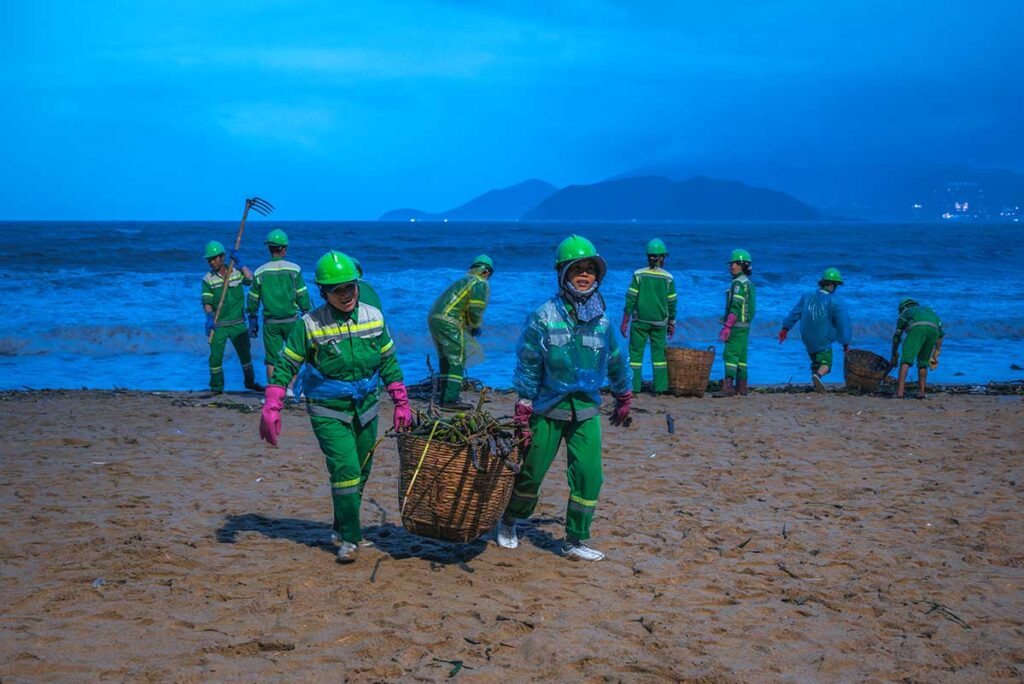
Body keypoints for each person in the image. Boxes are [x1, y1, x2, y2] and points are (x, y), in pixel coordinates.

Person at [258, 250, 413, 563]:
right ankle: (351, 540)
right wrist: (272, 403)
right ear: (323, 292)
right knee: (346, 468)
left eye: (350, 287)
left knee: (362, 468)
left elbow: (388, 361)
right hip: (328, 407)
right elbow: (286, 363)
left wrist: (400, 401)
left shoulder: (374, 316)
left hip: (367, 405)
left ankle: (342, 528)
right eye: (337, 290)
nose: (346, 295)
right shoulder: (310, 325)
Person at [496, 235, 632, 562]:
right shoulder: (543, 316)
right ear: (562, 274)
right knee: (531, 473)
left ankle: (574, 540)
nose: (584, 275)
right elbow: (529, 362)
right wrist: (524, 404)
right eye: (577, 270)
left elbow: (615, 358)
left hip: (585, 407)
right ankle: (510, 519)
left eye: (590, 269)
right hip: (548, 407)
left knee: (589, 474)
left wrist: (623, 393)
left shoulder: (603, 320)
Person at [246, 229, 312, 386]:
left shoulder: (260, 272)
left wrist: (253, 318)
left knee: (272, 359)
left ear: (269, 248)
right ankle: (291, 388)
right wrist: (307, 312)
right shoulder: (294, 269)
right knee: (294, 355)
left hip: (271, 323)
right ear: (284, 249)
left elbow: (253, 298)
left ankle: (273, 391)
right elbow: (302, 294)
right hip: (292, 320)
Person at [427, 255, 493, 409]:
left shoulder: (464, 280)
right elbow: (475, 309)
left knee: (445, 357)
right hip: (449, 320)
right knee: (457, 357)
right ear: (486, 271)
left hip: (435, 318)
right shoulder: (479, 282)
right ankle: (450, 400)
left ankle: (444, 396)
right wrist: (476, 326)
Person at [778, 267, 852, 393]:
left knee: (815, 361)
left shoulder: (807, 296)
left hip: (806, 338)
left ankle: (815, 383)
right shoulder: (835, 301)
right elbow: (842, 323)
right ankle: (818, 376)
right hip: (823, 338)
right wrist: (845, 343)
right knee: (826, 364)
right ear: (832, 285)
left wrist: (785, 329)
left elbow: (795, 313)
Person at [201, 240, 261, 394]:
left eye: (214, 258)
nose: (211, 262)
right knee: (215, 359)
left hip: (237, 323)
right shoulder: (207, 279)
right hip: (218, 324)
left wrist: (242, 265)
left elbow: (252, 280)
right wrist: (208, 317)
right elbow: (207, 301)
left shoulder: (236, 273)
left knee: (245, 356)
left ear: (222, 257)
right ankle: (216, 388)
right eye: (209, 259)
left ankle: (250, 383)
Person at [621, 238, 678, 394]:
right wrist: (672, 322)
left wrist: (625, 321)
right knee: (659, 356)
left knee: (635, 355)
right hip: (660, 323)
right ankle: (660, 388)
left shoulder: (638, 275)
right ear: (662, 257)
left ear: (649, 256)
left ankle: (634, 387)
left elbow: (631, 298)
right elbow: (672, 302)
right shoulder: (668, 278)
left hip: (640, 321)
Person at [715, 249, 756, 397]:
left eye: (732, 264)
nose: (730, 267)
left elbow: (736, 306)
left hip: (737, 326)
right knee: (742, 356)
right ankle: (742, 387)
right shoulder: (749, 284)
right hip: (745, 326)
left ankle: (728, 387)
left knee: (730, 354)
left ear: (740, 265)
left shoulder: (738, 283)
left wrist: (727, 326)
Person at [890, 298, 945, 399]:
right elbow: (940, 335)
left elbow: (897, 336)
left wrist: (894, 354)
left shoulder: (905, 313)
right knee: (923, 362)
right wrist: (936, 353)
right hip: (933, 330)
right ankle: (922, 393)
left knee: (905, 361)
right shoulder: (929, 311)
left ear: (902, 308)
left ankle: (900, 393)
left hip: (917, 329)